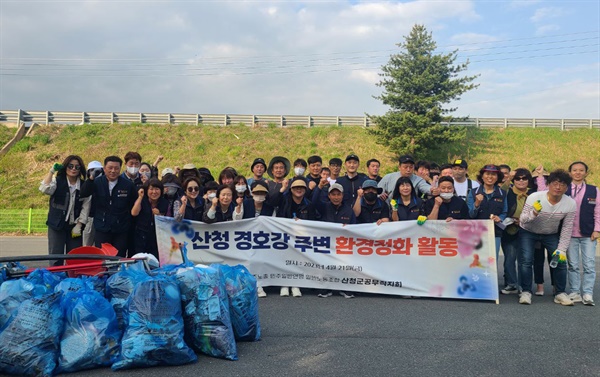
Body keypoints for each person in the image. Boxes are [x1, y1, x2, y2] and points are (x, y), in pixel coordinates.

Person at [518, 169, 577, 306]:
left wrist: (562, 249)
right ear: (548, 184)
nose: (558, 187)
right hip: (528, 231)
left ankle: (560, 293)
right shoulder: (535, 197)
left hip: (551, 233)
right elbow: (523, 220)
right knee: (526, 260)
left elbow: (567, 228)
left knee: (560, 261)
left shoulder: (570, 203)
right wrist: (534, 213)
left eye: (562, 185)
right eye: (555, 183)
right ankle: (526, 291)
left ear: (566, 187)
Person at [80, 156, 137, 257]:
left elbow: (133, 203)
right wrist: (91, 178)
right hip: (102, 227)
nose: (113, 171)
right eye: (110, 168)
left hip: (121, 228)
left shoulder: (128, 185)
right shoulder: (97, 182)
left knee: (119, 256)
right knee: (102, 256)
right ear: (104, 168)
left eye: (116, 168)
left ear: (120, 169)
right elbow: (84, 192)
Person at [39, 155, 91, 266]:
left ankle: (72, 281)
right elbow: (44, 189)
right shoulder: (58, 181)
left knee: (74, 257)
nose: (73, 169)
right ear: (65, 167)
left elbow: (86, 206)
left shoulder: (84, 185)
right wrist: (51, 172)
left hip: (75, 226)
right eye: (70, 166)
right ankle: (56, 279)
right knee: (55, 256)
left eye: (77, 167)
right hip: (56, 225)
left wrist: (80, 224)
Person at [312, 181, 356, 298]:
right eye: (333, 194)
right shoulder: (324, 207)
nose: (336, 197)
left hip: (343, 244)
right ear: (329, 196)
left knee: (344, 266)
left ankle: (344, 288)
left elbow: (356, 229)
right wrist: (319, 187)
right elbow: (314, 202)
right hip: (327, 243)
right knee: (326, 265)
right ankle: (327, 288)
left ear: (342, 196)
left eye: (338, 194)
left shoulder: (349, 210)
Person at [563, 162, 598, 305]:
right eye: (575, 170)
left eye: (581, 170)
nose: (578, 173)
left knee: (589, 265)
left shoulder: (594, 190)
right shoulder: (564, 189)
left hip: (588, 234)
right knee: (573, 265)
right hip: (569, 234)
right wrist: (540, 177)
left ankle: (588, 293)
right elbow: (544, 193)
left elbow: (598, 211)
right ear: (570, 173)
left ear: (586, 173)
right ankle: (575, 292)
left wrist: (597, 229)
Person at [499, 168, 535, 295]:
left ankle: (523, 286)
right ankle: (511, 284)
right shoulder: (507, 191)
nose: (521, 181)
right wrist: (509, 177)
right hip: (509, 229)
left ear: (528, 180)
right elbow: (501, 189)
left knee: (525, 259)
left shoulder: (533, 194)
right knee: (509, 258)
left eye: (524, 178)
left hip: (528, 229)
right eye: (518, 179)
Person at [467, 164, 508, 259]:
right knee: (477, 259)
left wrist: (500, 218)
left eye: (493, 174)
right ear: (482, 176)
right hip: (476, 232)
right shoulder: (473, 192)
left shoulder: (502, 193)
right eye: (487, 174)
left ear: (497, 177)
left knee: (492, 260)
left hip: (495, 232)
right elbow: (471, 214)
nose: (490, 177)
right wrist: (476, 204)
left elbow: (504, 212)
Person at [131, 178, 168, 259]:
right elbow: (134, 213)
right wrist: (140, 197)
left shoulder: (164, 202)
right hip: (140, 235)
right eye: (151, 189)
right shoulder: (142, 200)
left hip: (156, 237)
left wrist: (159, 214)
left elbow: (167, 220)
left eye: (157, 189)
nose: (154, 192)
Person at [82, 160, 103, 247]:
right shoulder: (86, 183)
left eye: (98, 170)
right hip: (89, 218)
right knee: (87, 244)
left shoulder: (104, 183)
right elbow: (83, 193)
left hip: (101, 218)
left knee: (100, 246)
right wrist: (91, 178)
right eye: (92, 170)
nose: (95, 172)